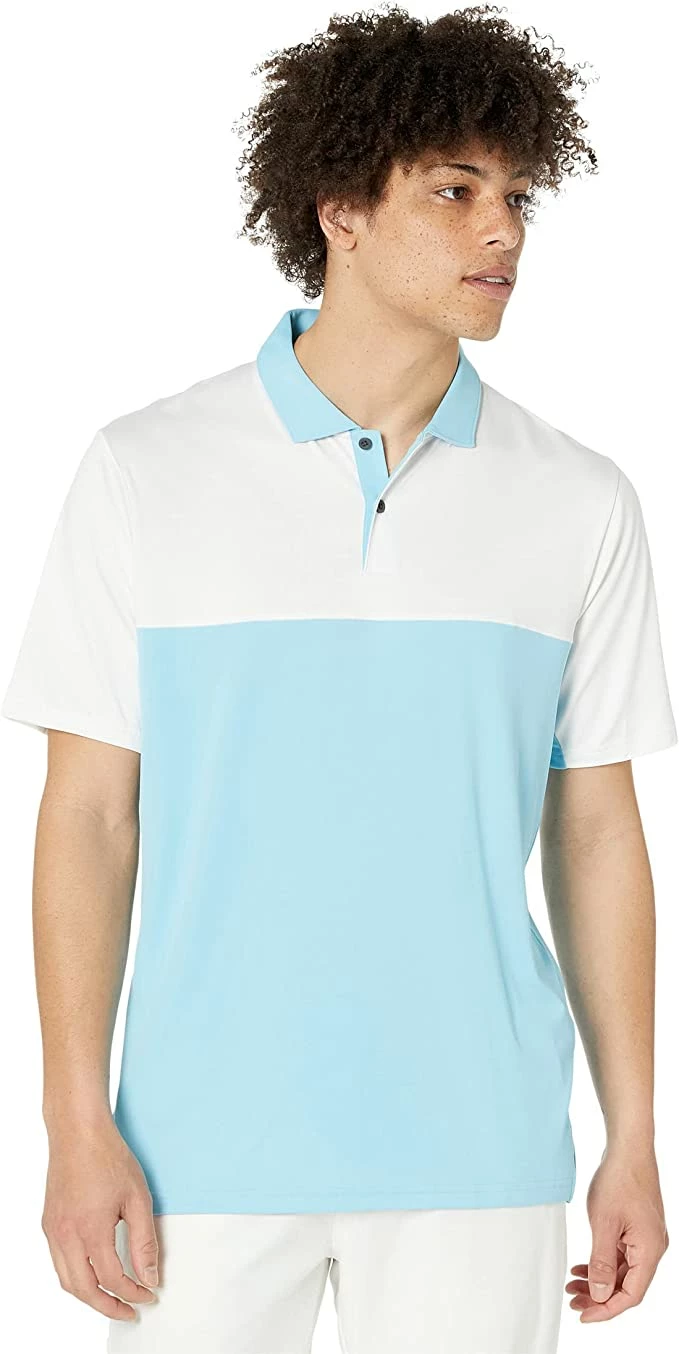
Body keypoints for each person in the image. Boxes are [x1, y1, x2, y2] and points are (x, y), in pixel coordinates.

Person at [2, 5, 675, 1352]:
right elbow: (88, 815)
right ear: (340, 210)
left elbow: (598, 830)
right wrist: (76, 1125)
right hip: (195, 1150)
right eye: (455, 191)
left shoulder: (578, 498)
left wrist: (633, 1138)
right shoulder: (147, 468)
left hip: (479, 1147)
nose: (503, 230)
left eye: (518, 196)